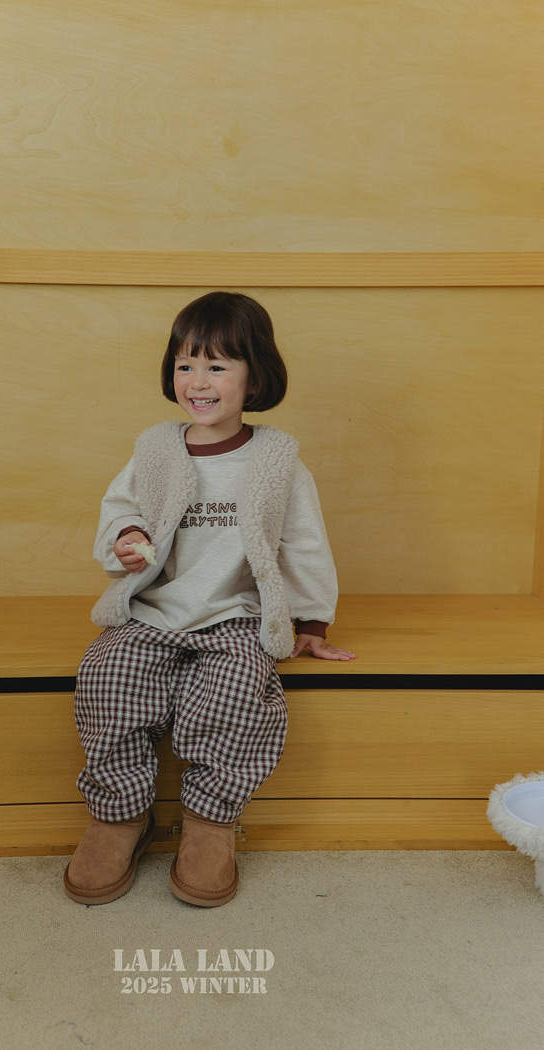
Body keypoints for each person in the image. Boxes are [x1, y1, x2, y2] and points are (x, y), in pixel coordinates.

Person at [64, 290, 356, 908]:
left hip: (235, 617)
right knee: (106, 674)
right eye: (185, 365)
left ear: (255, 377)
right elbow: (118, 509)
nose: (197, 381)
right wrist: (128, 538)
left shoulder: (276, 459)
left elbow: (304, 542)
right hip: (155, 610)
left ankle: (209, 822)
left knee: (237, 691)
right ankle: (120, 814)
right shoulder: (155, 450)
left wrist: (311, 620)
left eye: (217, 366)